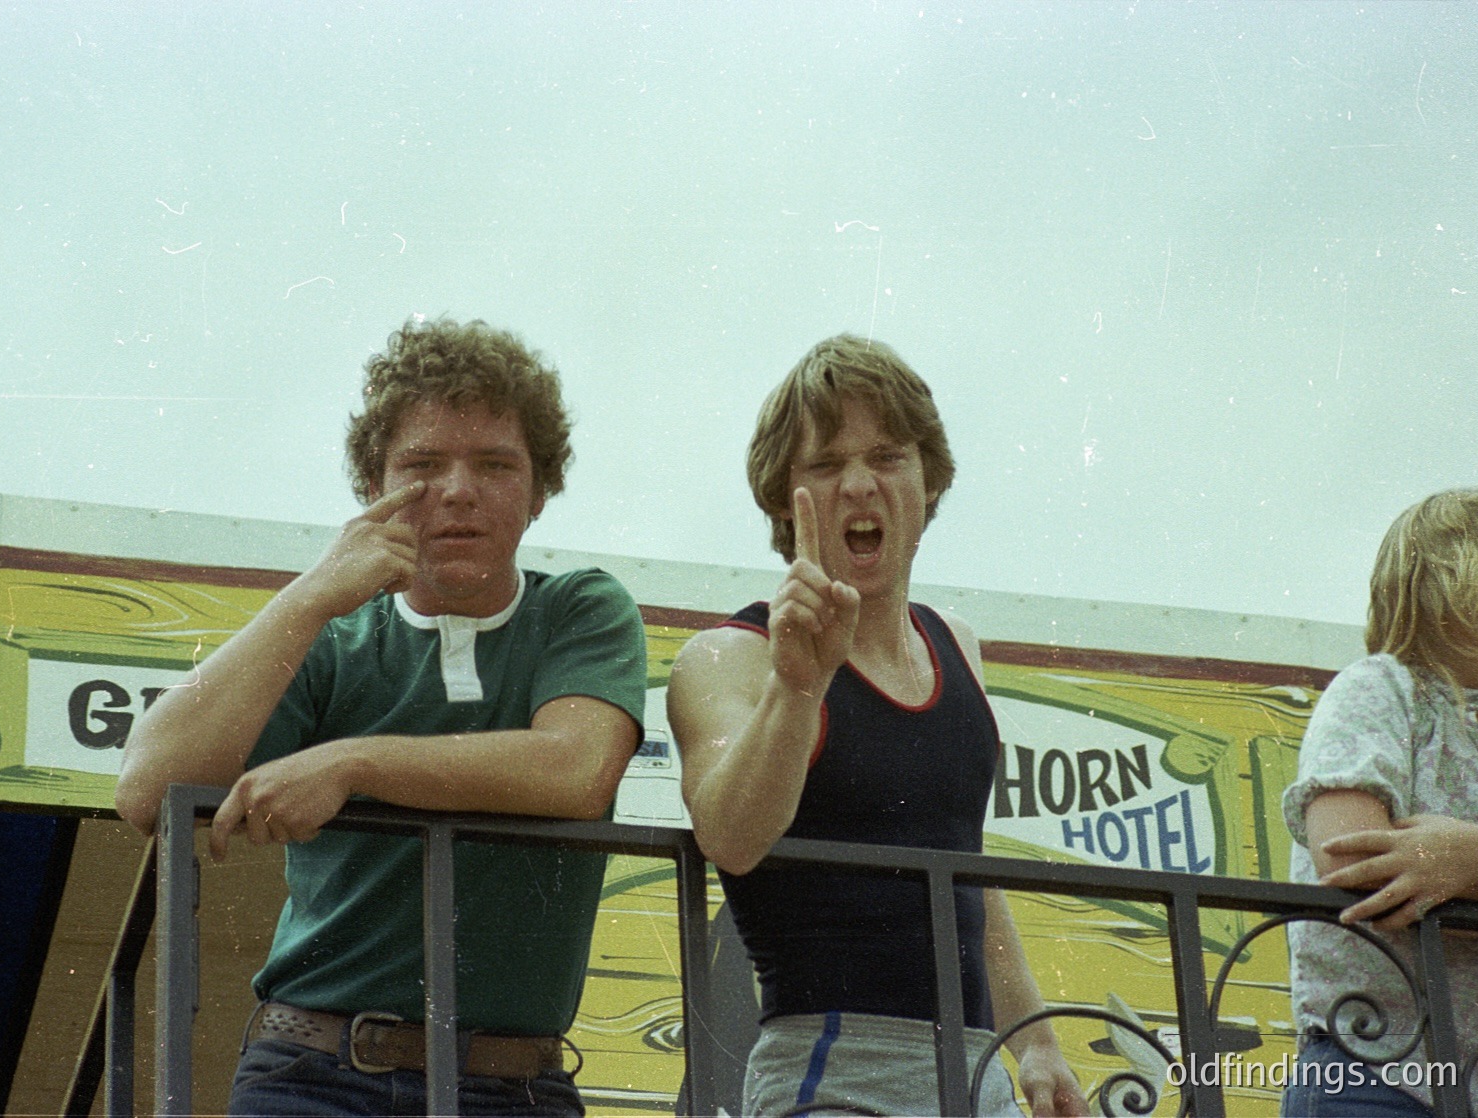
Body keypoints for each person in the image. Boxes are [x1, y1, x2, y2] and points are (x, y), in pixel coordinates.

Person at [114, 316, 648, 1118]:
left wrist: (349, 764)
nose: (459, 490)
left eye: (496, 464)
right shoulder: (332, 641)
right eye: (423, 465)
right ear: (375, 488)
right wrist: (315, 593)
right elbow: (146, 788)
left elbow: (575, 768)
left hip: (515, 1088)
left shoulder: (581, 609)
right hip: (313, 1073)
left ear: (540, 493)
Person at [665, 334, 1088, 1117]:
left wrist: (1033, 1040)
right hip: (833, 1072)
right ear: (780, 497)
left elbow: (964, 864)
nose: (858, 484)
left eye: (888, 457)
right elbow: (729, 833)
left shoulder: (955, 642)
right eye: (824, 466)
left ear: (930, 483)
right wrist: (798, 688)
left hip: (979, 1073)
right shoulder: (730, 655)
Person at [1281, 488, 1478, 1117]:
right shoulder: (1382, 688)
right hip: (1376, 1073)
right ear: (1454, 586)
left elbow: (1452, 861)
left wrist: (1474, 858)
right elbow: (1350, 859)